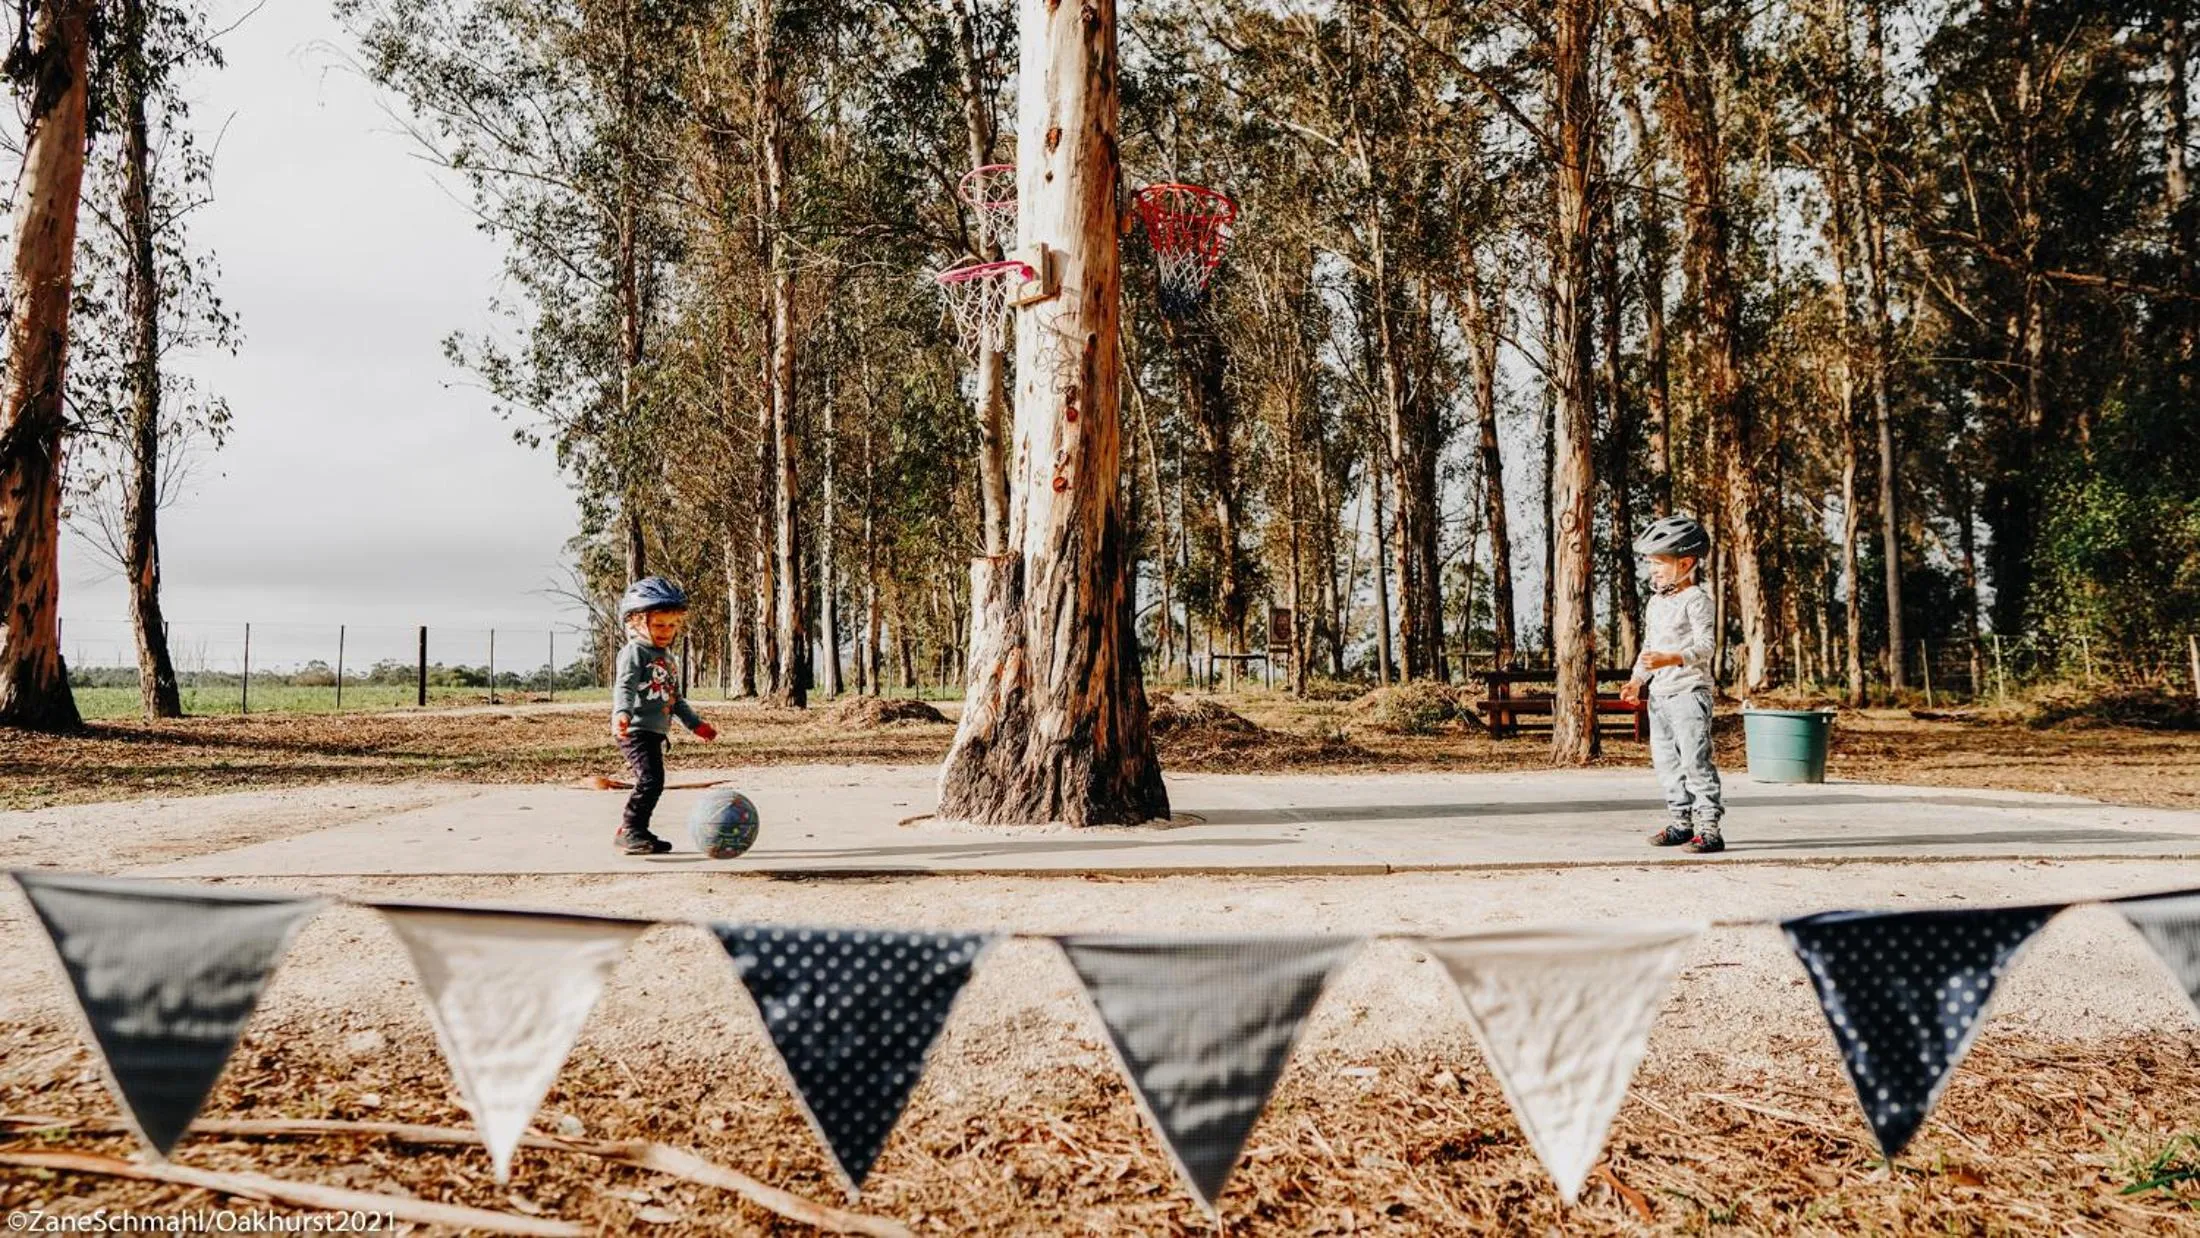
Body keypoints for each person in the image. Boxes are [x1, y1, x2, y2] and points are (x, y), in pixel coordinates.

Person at [1619, 515, 1725, 854]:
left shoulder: (1697, 600)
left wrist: (1672, 658)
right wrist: (1638, 680)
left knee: (1696, 761)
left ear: (1686, 562)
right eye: (1651, 564)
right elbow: (1649, 648)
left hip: (1689, 694)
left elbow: (1707, 646)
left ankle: (1708, 828)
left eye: (1659, 563)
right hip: (1660, 697)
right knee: (1667, 764)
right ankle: (1682, 823)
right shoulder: (1656, 602)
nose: (1653, 571)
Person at [611, 576, 718, 855]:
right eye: (659, 624)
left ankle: (635, 831)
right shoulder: (635, 652)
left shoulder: (668, 657)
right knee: (650, 780)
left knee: (653, 780)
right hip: (634, 730)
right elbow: (625, 685)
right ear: (635, 622)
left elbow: (675, 699)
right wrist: (622, 712)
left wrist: (696, 725)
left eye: (672, 625)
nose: (666, 631)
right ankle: (631, 830)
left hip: (654, 732)